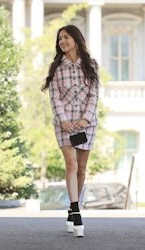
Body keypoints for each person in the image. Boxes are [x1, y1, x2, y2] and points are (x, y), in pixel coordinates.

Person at [41, 24, 100, 237]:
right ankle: (76, 211)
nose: (62, 41)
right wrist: (64, 120)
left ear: (76, 39)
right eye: (59, 39)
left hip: (87, 123)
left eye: (66, 37)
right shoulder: (56, 67)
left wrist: (86, 118)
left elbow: (94, 94)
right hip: (64, 124)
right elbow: (54, 97)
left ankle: (71, 208)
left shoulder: (91, 64)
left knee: (82, 168)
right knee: (71, 163)